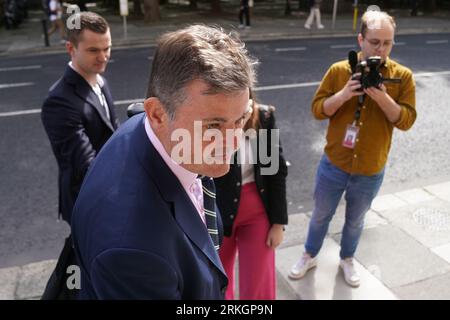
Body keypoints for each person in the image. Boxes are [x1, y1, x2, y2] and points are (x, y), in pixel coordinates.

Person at [71, 24, 257, 299]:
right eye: (213, 125)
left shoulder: (149, 129)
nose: (233, 142)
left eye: (240, 119)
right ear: (157, 114)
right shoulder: (133, 250)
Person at [289, 9, 416, 287]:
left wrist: (382, 97)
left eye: (387, 43)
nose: (381, 49)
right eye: (374, 42)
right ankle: (309, 254)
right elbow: (317, 110)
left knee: (356, 220)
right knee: (321, 215)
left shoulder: (402, 76)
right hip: (334, 162)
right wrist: (346, 93)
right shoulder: (339, 71)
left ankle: (347, 259)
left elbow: (406, 120)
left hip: (370, 168)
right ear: (361, 39)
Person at [41, 11, 118, 225]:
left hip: (109, 196)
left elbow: (115, 135)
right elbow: (84, 167)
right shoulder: (59, 101)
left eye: (107, 48)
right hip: (88, 203)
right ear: (70, 49)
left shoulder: (100, 81)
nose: (103, 57)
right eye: (93, 50)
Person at [214, 92, 288, 300]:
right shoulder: (213, 121)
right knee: (218, 281)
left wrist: (278, 223)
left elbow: (275, 170)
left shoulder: (262, 118)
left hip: (257, 210)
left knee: (257, 285)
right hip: (219, 210)